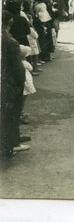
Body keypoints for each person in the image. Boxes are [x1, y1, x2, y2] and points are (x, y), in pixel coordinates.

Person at [1, 11, 26, 161]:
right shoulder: (10, 42)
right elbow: (18, 69)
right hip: (8, 83)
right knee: (9, 114)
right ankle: (7, 147)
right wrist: (19, 85)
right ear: (10, 22)